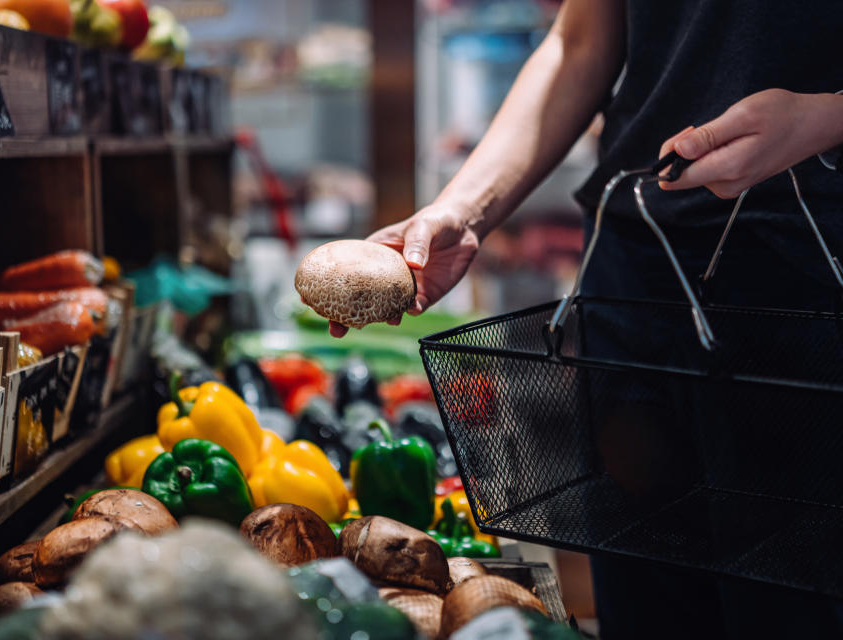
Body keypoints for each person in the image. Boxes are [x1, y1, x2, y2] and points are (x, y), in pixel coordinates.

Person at [328, 1, 843, 637]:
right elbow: (578, 44)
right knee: (646, 600)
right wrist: (462, 209)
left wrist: (828, 116)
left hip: (811, 269)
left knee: (797, 609)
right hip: (633, 267)